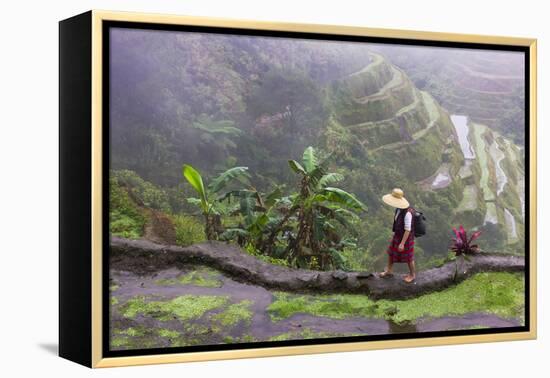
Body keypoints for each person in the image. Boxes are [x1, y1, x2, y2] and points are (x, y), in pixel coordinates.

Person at [379, 188, 416, 283]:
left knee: (409, 257)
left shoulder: (407, 213)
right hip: (398, 235)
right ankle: (389, 270)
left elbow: (408, 230)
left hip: (406, 238)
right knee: (391, 252)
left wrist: (402, 243)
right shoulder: (399, 209)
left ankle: (412, 275)